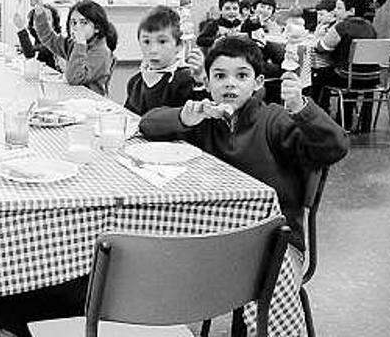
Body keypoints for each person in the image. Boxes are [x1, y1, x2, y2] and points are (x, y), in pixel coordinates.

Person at [139, 36, 349, 254]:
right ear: (208, 83)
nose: (230, 83)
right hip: (212, 232)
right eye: (220, 76)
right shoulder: (203, 119)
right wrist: (184, 117)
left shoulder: (274, 120)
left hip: (273, 242)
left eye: (242, 75)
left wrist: (300, 107)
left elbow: (336, 146)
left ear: (257, 82)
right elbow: (147, 124)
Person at [312, 0, 377, 132]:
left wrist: (322, 30)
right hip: (371, 78)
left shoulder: (341, 27)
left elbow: (322, 47)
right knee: (352, 72)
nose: (335, 11)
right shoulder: (371, 27)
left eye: (339, 8)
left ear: (351, 11)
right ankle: (358, 123)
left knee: (318, 74)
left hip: (345, 77)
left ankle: (320, 116)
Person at [124, 6, 206, 116]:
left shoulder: (185, 80)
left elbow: (199, 119)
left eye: (162, 41)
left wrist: (200, 81)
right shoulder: (135, 82)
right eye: (146, 41)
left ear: (179, 45)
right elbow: (128, 117)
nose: (153, 50)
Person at [31, 0, 117, 96]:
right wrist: (39, 11)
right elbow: (49, 38)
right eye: (73, 23)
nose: (77, 27)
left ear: (97, 28)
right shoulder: (74, 44)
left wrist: (80, 44)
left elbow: (74, 78)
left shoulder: (101, 52)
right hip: (75, 99)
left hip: (92, 104)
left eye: (83, 22)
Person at [12, 4, 63, 71]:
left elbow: (30, 53)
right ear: (33, 25)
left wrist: (21, 28)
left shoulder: (54, 40)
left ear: (54, 25)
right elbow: (37, 51)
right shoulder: (38, 40)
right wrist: (24, 48)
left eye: (47, 19)